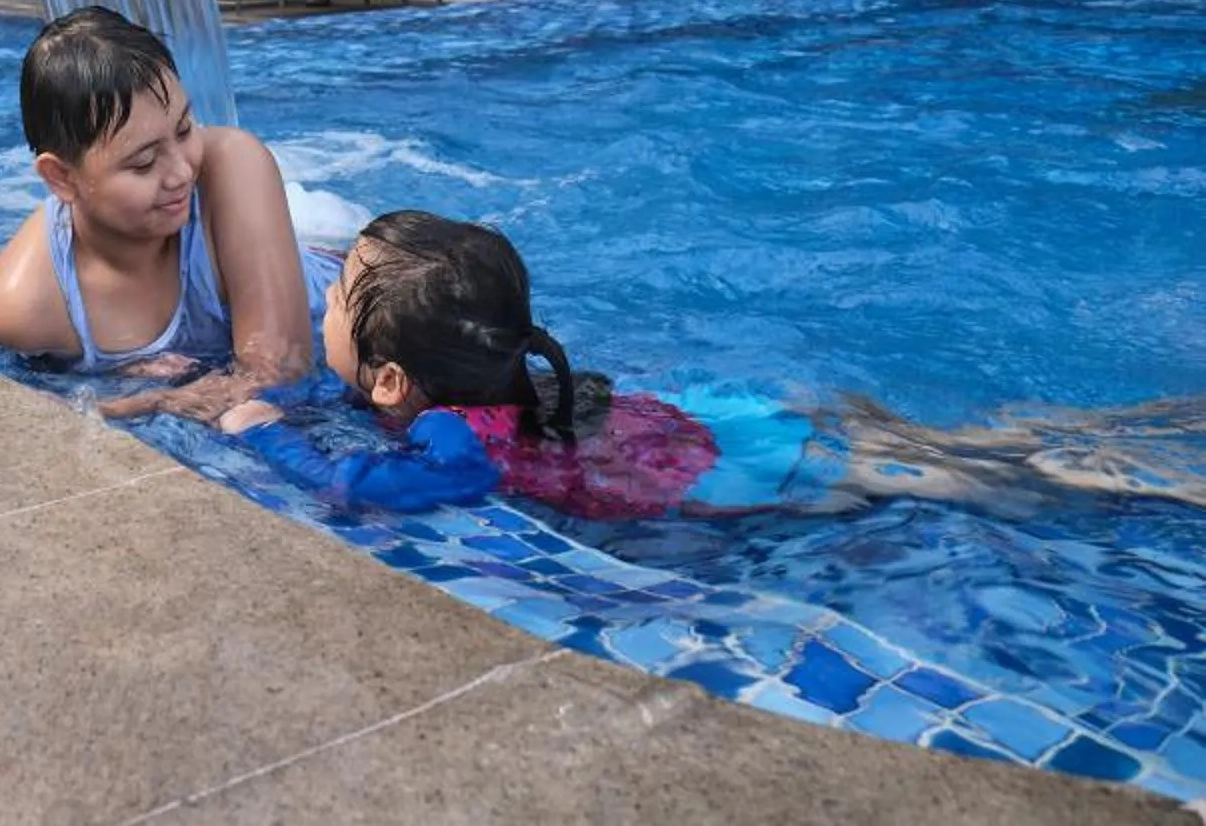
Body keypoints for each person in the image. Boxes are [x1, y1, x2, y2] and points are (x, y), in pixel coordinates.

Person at [219, 210, 1206, 520]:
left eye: (339, 291)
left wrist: (277, 447)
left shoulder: (438, 429)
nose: (324, 297)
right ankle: (1099, 432)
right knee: (959, 445)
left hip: (723, 472)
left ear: (390, 380)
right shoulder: (504, 381)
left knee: (955, 484)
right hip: (692, 416)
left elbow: (410, 482)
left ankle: (1112, 469)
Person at [0, 7, 334, 413]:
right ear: (62, 179)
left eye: (184, 129)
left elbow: (281, 372)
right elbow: (14, 417)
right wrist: (155, 400)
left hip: (360, 304)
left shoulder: (232, 164)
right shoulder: (23, 309)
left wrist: (145, 400)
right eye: (143, 163)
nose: (181, 173)